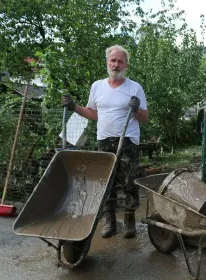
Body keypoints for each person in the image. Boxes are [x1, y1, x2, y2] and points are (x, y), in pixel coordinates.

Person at [61, 45, 148, 239]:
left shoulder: (135, 88)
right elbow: (93, 113)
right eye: (113, 60)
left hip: (127, 141)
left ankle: (129, 222)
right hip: (104, 141)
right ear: (107, 62)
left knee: (129, 182)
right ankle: (110, 222)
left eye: (120, 61)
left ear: (126, 65)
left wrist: (135, 110)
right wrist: (74, 107)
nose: (116, 64)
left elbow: (144, 117)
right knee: (106, 182)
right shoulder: (97, 86)